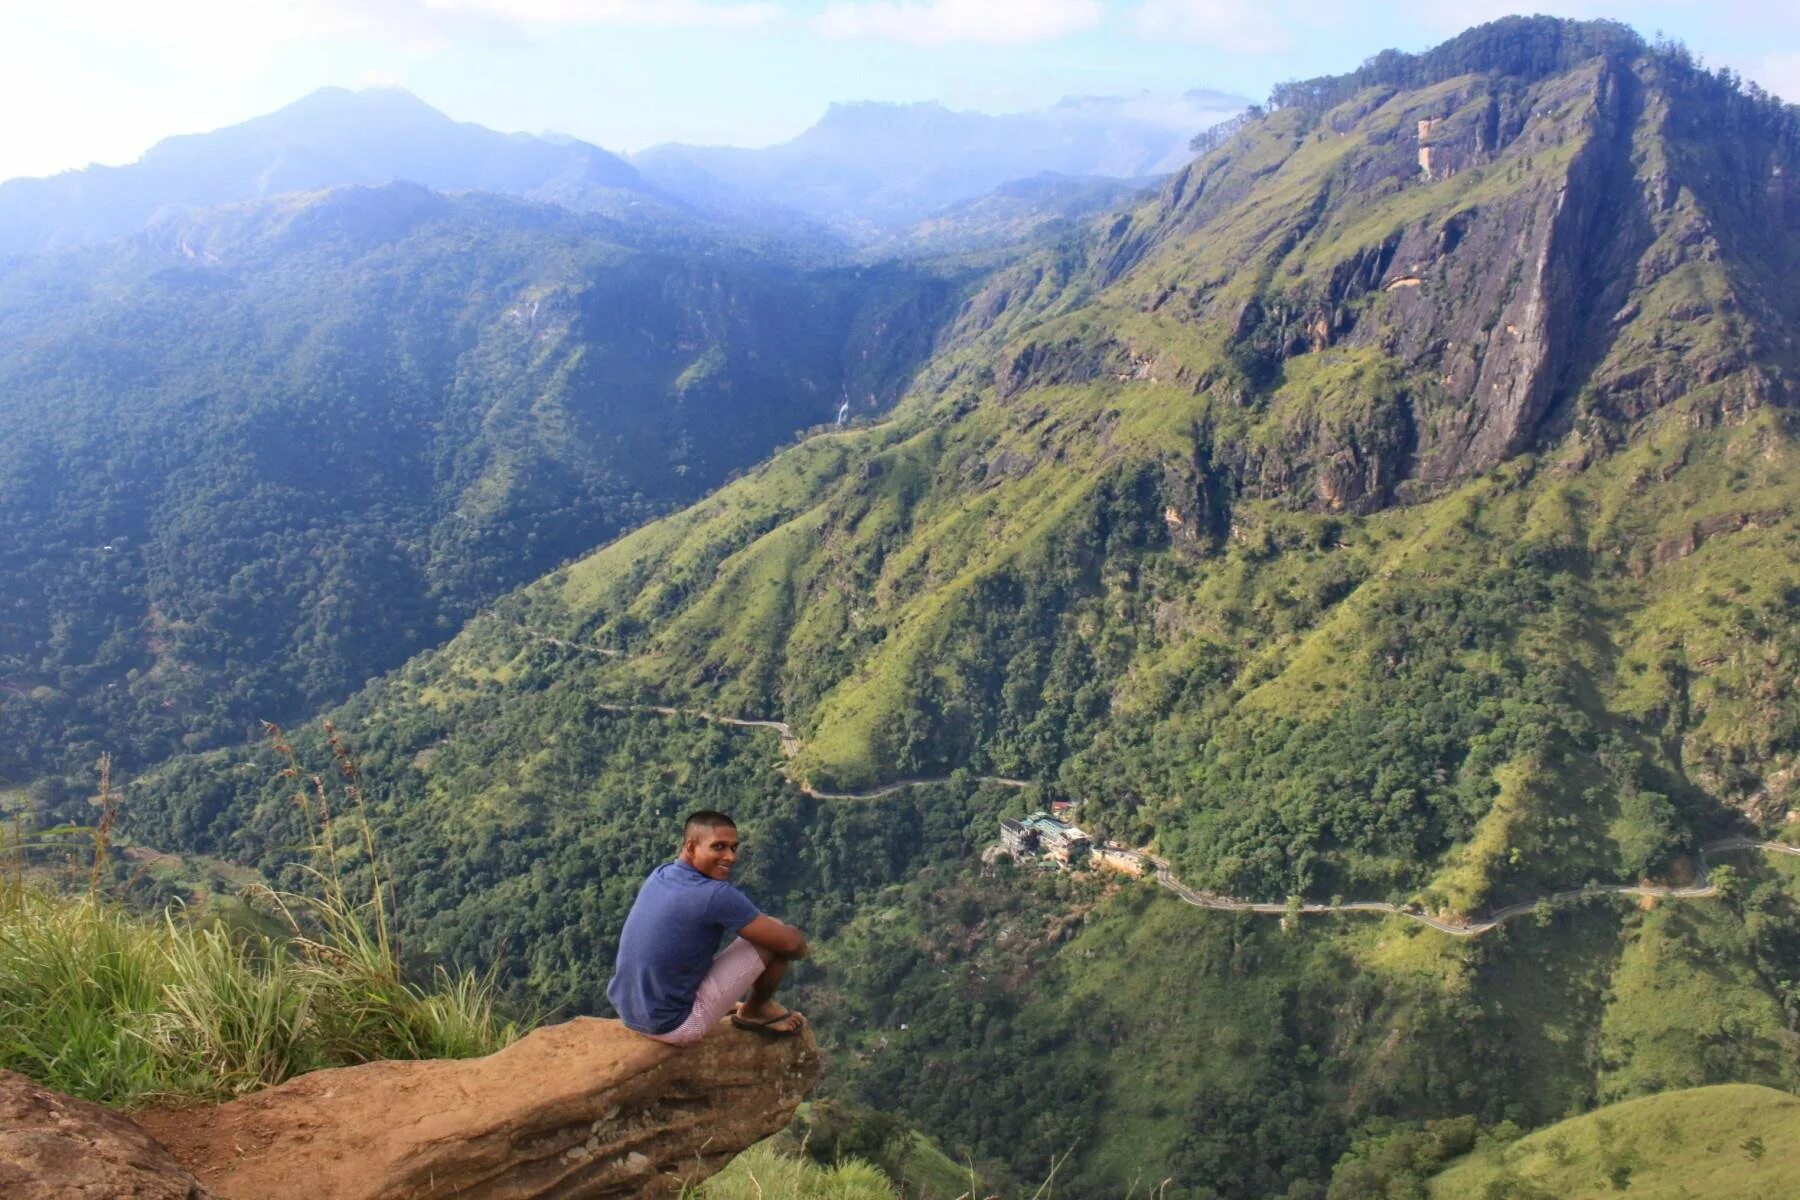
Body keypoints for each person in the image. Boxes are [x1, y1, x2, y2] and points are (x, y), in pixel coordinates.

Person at [606, 810, 809, 1043]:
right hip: (673, 1026)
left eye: (733, 848)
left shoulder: (660, 874)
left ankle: (727, 1002)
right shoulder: (715, 895)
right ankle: (756, 1010)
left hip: (628, 1010)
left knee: (760, 932)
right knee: (773, 935)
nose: (730, 857)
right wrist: (801, 946)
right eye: (719, 847)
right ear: (691, 848)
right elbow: (791, 944)